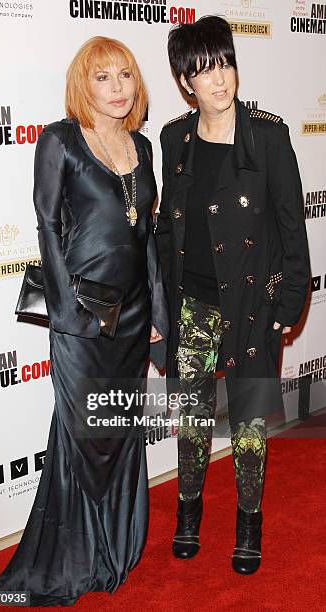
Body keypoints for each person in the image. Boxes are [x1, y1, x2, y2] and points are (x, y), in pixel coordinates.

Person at [0, 36, 168, 605]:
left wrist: (158, 313)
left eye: (125, 76)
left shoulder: (141, 143)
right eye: (103, 78)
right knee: (83, 435)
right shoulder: (58, 140)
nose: (117, 88)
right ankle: (74, 559)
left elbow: (147, 237)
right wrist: (67, 314)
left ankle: (116, 544)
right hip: (82, 317)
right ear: (82, 85)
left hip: (134, 316)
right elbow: (47, 228)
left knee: (120, 431)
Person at [156, 16, 310, 574]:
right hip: (191, 306)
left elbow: (293, 228)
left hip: (250, 308)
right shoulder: (174, 138)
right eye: (204, 71)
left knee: (247, 427)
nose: (219, 80)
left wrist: (287, 305)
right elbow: (165, 232)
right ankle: (188, 513)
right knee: (191, 419)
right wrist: (157, 308)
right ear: (184, 82)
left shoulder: (267, 136)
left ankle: (249, 525)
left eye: (225, 64)